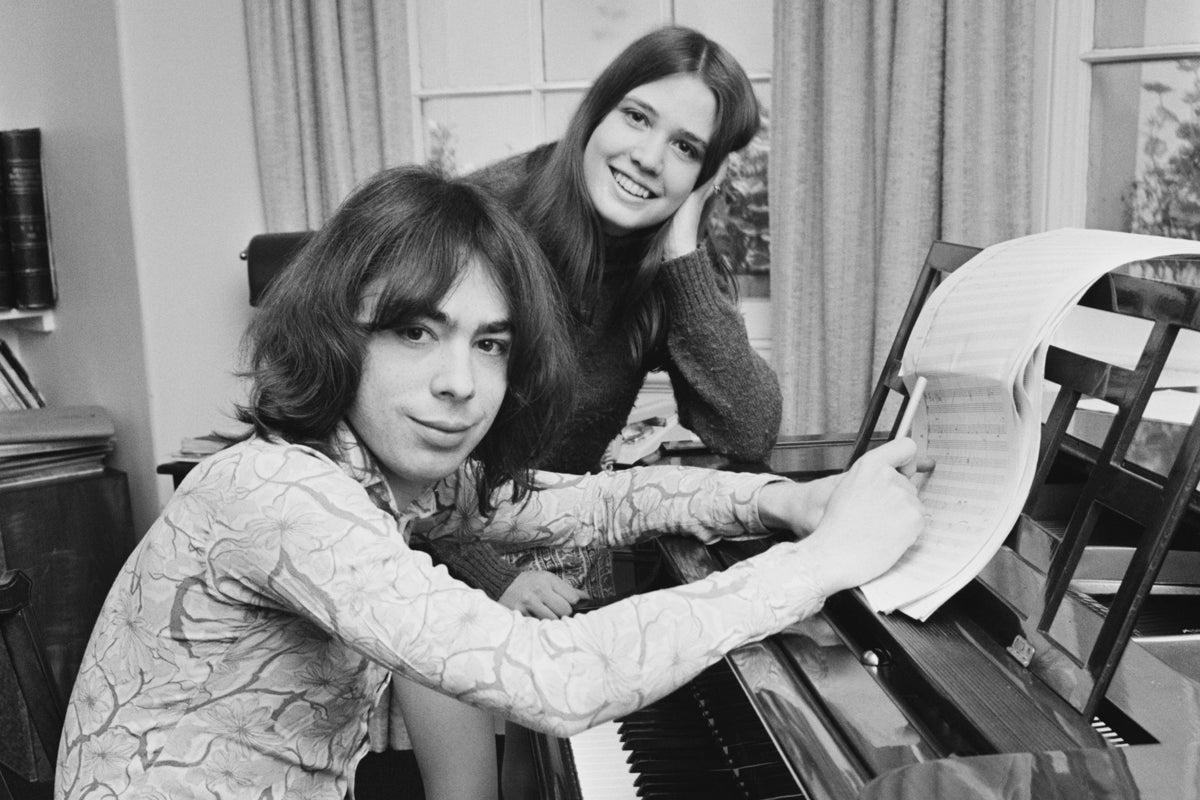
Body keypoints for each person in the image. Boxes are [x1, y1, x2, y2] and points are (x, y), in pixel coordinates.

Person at [54, 165, 925, 799]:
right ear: (336, 332)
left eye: (489, 344)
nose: (460, 384)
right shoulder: (278, 495)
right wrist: (824, 562)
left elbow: (594, 501)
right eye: (416, 332)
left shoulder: (383, 476)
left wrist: (785, 500)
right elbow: (557, 681)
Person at [403, 25, 784, 798]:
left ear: (705, 178)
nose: (648, 156)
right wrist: (487, 572)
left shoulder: (669, 264)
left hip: (552, 538)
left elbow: (747, 429)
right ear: (598, 112)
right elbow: (385, 451)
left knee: (548, 776)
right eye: (637, 118)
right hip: (417, 545)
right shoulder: (484, 219)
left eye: (685, 149)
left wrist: (681, 251)